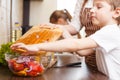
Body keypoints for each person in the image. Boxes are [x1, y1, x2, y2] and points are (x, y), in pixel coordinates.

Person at [11, 0, 120, 79]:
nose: (91, 10)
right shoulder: (103, 33)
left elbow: (76, 44)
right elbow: (83, 51)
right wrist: (61, 29)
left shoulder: (110, 32)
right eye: (93, 6)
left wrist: (36, 46)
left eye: (99, 7)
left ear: (116, 12)